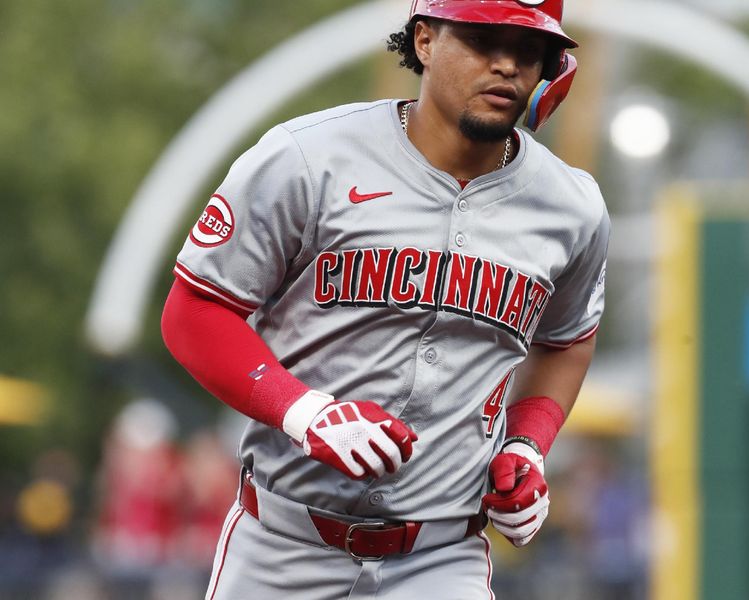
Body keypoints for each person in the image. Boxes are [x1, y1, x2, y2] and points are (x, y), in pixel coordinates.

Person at [161, 1, 610, 598]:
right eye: (482, 40)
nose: (506, 65)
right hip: (283, 546)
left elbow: (568, 341)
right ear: (424, 40)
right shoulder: (308, 157)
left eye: (527, 50)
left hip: (441, 557)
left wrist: (528, 444)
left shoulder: (571, 206)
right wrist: (303, 411)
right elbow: (193, 311)